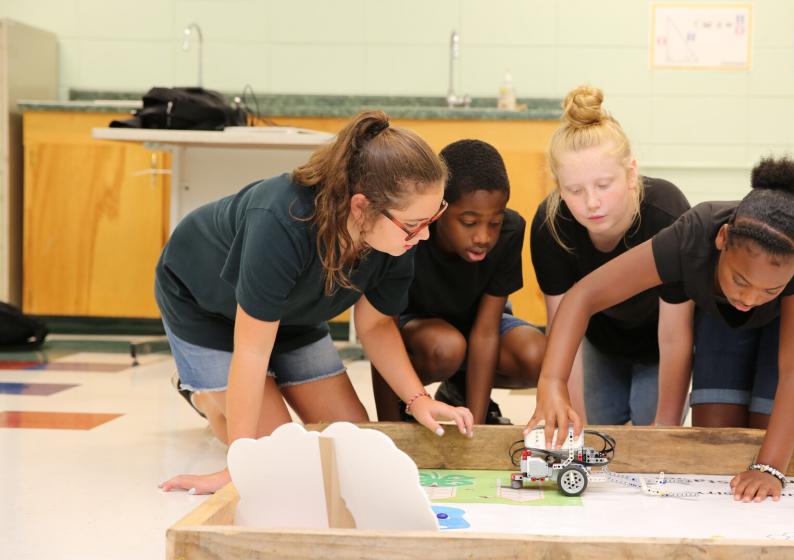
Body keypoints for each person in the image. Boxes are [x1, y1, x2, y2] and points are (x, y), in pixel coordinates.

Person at [157, 111, 473, 495]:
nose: (423, 236)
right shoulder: (280, 218)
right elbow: (252, 351)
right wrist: (240, 465)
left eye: (432, 217)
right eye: (415, 224)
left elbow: (375, 326)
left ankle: (218, 398)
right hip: (207, 309)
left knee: (352, 447)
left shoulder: (398, 232)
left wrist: (419, 399)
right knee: (281, 459)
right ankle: (206, 398)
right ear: (360, 207)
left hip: (294, 317)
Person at [527, 155, 794, 503]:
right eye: (740, 280)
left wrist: (770, 468)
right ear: (722, 239)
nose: (751, 298)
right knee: (717, 440)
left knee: (770, 434)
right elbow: (583, 295)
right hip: (720, 311)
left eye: (767, 291)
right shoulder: (690, 236)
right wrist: (552, 382)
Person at [529, 85, 692, 426]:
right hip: (601, 342)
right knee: (599, 430)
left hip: (660, 343)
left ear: (631, 174)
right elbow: (562, 336)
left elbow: (675, 335)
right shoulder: (552, 226)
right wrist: (575, 426)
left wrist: (666, 428)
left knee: (650, 427)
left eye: (604, 186)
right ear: (560, 188)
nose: (591, 202)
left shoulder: (666, 213)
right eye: (575, 190)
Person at [372, 139, 546, 425]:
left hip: (478, 325)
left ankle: (459, 393)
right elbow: (381, 332)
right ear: (439, 210)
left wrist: (476, 432)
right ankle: (409, 405)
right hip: (420, 332)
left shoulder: (511, 232)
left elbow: (487, 332)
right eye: (469, 222)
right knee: (446, 346)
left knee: (536, 353)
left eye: (495, 222)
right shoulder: (411, 232)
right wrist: (388, 428)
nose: (484, 237)